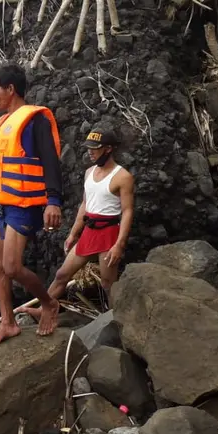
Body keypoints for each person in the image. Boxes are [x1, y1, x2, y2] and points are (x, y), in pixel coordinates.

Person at [0, 63, 64, 347]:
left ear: (10, 89)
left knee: (12, 266)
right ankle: (8, 323)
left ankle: (49, 304)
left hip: (22, 203)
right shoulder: (1, 124)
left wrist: (53, 201)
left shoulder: (34, 120)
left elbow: (51, 161)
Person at [18, 128, 134, 319]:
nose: (90, 152)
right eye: (89, 148)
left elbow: (128, 211)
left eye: (95, 148)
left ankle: (115, 319)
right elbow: (84, 204)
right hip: (89, 230)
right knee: (62, 274)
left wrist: (119, 245)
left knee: (108, 283)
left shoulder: (123, 177)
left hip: (109, 232)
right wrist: (73, 234)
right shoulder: (89, 172)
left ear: (108, 149)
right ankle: (43, 309)